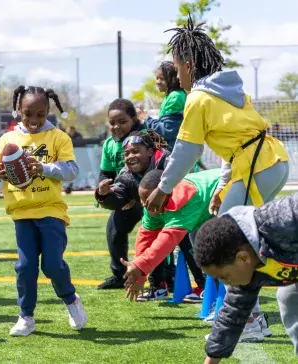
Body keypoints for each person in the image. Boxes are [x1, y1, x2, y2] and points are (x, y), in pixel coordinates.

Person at [144, 16, 289, 335]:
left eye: (177, 66)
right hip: (273, 161)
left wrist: (164, 188)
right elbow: (238, 144)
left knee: (227, 244)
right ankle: (257, 310)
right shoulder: (230, 93)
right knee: (252, 239)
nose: (176, 74)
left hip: (256, 166)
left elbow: (186, 150)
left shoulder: (198, 98)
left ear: (189, 64)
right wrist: (224, 185)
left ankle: (251, 321)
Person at [0, 85, 86, 337]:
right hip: (21, 214)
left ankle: (70, 298)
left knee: (52, 265)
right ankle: (26, 316)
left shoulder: (58, 137)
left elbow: (72, 171)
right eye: (28, 114)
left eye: (40, 114)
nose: (34, 120)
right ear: (19, 110)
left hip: (51, 211)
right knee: (25, 267)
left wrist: (43, 168)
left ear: (48, 111)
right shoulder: (7, 140)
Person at [96, 130, 205, 302]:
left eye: (135, 151)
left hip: (184, 208)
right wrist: (104, 196)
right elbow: (118, 200)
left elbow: (188, 185)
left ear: (150, 151)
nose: (130, 156)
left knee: (186, 239)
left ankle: (204, 286)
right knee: (150, 242)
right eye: (127, 153)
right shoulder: (126, 175)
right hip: (155, 213)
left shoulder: (170, 163)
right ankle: (157, 287)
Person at [194, 193, 298, 362]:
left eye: (224, 276)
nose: (225, 283)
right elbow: (232, 315)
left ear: (243, 258)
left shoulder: (285, 219)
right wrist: (211, 360)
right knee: (289, 296)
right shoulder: (249, 266)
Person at [121, 168, 219, 301]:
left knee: (214, 244)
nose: (145, 204)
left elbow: (169, 238)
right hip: (213, 205)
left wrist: (141, 265)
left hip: (234, 187)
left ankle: (225, 293)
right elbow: (146, 237)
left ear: (164, 193)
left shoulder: (189, 198)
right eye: (142, 199)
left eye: (148, 199)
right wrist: (140, 275)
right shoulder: (152, 204)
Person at [96, 99, 145, 290]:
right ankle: (120, 275)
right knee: (114, 230)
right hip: (125, 196)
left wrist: (135, 197)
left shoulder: (143, 139)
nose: (117, 126)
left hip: (148, 195)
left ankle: (166, 277)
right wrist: (104, 191)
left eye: (122, 121)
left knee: (155, 233)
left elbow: (150, 170)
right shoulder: (109, 144)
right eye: (113, 123)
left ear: (133, 120)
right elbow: (106, 174)